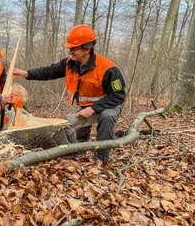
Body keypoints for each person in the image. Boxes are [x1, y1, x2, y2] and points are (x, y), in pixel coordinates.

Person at [13, 24, 126, 161]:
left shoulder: (108, 69)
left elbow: (118, 96)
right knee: (75, 128)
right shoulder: (70, 63)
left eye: (74, 48)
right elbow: (49, 71)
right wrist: (26, 73)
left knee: (106, 117)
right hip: (86, 106)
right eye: (70, 48)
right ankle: (79, 150)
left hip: (108, 105)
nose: (70, 51)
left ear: (87, 47)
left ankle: (102, 157)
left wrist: (93, 108)